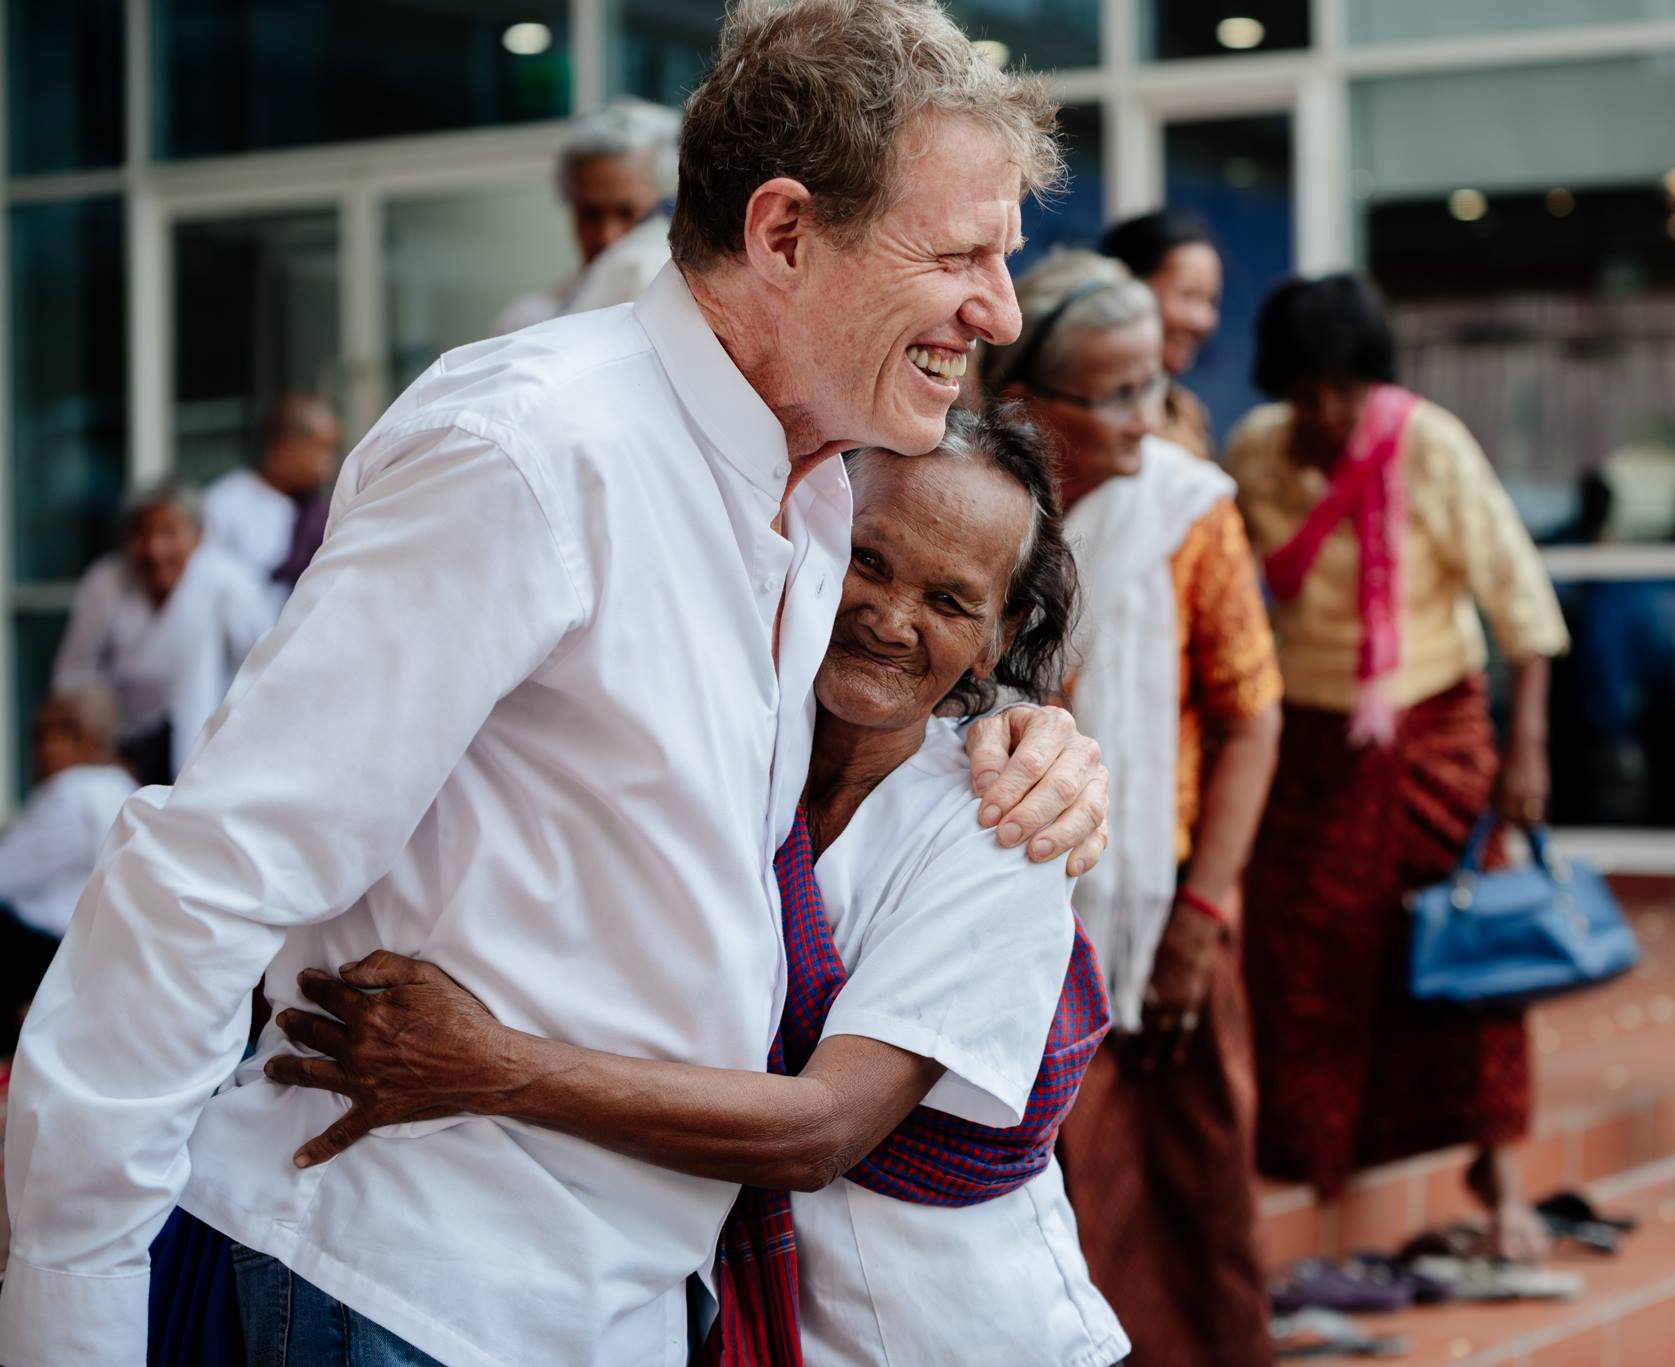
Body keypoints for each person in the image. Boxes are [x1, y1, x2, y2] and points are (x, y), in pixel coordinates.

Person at [0, 6, 1109, 1364]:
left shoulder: (813, 494)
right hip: (404, 1289)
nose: (997, 308)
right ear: (781, 233)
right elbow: (201, 877)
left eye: (1002, 257)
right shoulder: (533, 450)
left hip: (604, 1300)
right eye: (957, 254)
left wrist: (1038, 739)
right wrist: (74, 1323)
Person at [254, 408, 1129, 1367]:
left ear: (1001, 639)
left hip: (971, 1333)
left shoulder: (1003, 823)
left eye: (951, 601)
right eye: (867, 561)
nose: (890, 618)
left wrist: (482, 1063)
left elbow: (825, 1128)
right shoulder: (720, 752)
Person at [1231, 274, 1570, 1258]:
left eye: (1346, 387)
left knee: (1474, 956)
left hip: (1434, 734)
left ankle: (1499, 1179)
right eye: (1309, 389)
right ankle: (1306, 1155)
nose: (1330, 411)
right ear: (1281, 386)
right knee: (1299, 956)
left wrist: (1527, 750)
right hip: (1304, 742)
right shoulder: (1253, 450)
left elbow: (1519, 600)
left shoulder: (1426, 442)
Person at [986, 250, 1284, 1365]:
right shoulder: (978, 509)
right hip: (1015, 904)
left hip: (1163, 908)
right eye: (1110, 392)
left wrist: (1201, 915)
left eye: (1150, 384)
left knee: (1183, 1188)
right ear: (1022, 401)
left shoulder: (1188, 513)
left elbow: (1252, 717)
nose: (1143, 415)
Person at [51, 480, 272, 784]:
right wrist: (101, 752)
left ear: (198, 536)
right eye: (142, 534)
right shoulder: (105, 583)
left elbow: (265, 671)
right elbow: (72, 676)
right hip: (124, 750)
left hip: (214, 747)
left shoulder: (229, 584)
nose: (155, 549)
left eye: (169, 532)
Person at [0, 688, 136, 1047]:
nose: (37, 749)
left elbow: (6, 875)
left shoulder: (71, 792)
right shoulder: (126, 788)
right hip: (102, 950)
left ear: (83, 737)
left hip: (45, 952)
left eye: (45, 735)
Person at [494, 98, 683, 335]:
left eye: (627, 213)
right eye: (590, 215)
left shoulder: (684, 306)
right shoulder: (525, 323)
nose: (607, 237)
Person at [202, 393, 343, 618]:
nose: (330, 463)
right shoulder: (224, 504)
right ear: (285, 448)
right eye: (322, 450)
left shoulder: (324, 511)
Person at [1100, 209, 1222, 460]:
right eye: (1187, 295)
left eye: (1211, 300)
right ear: (1128, 287)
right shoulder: (1087, 407)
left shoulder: (1187, 414)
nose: (1204, 321)